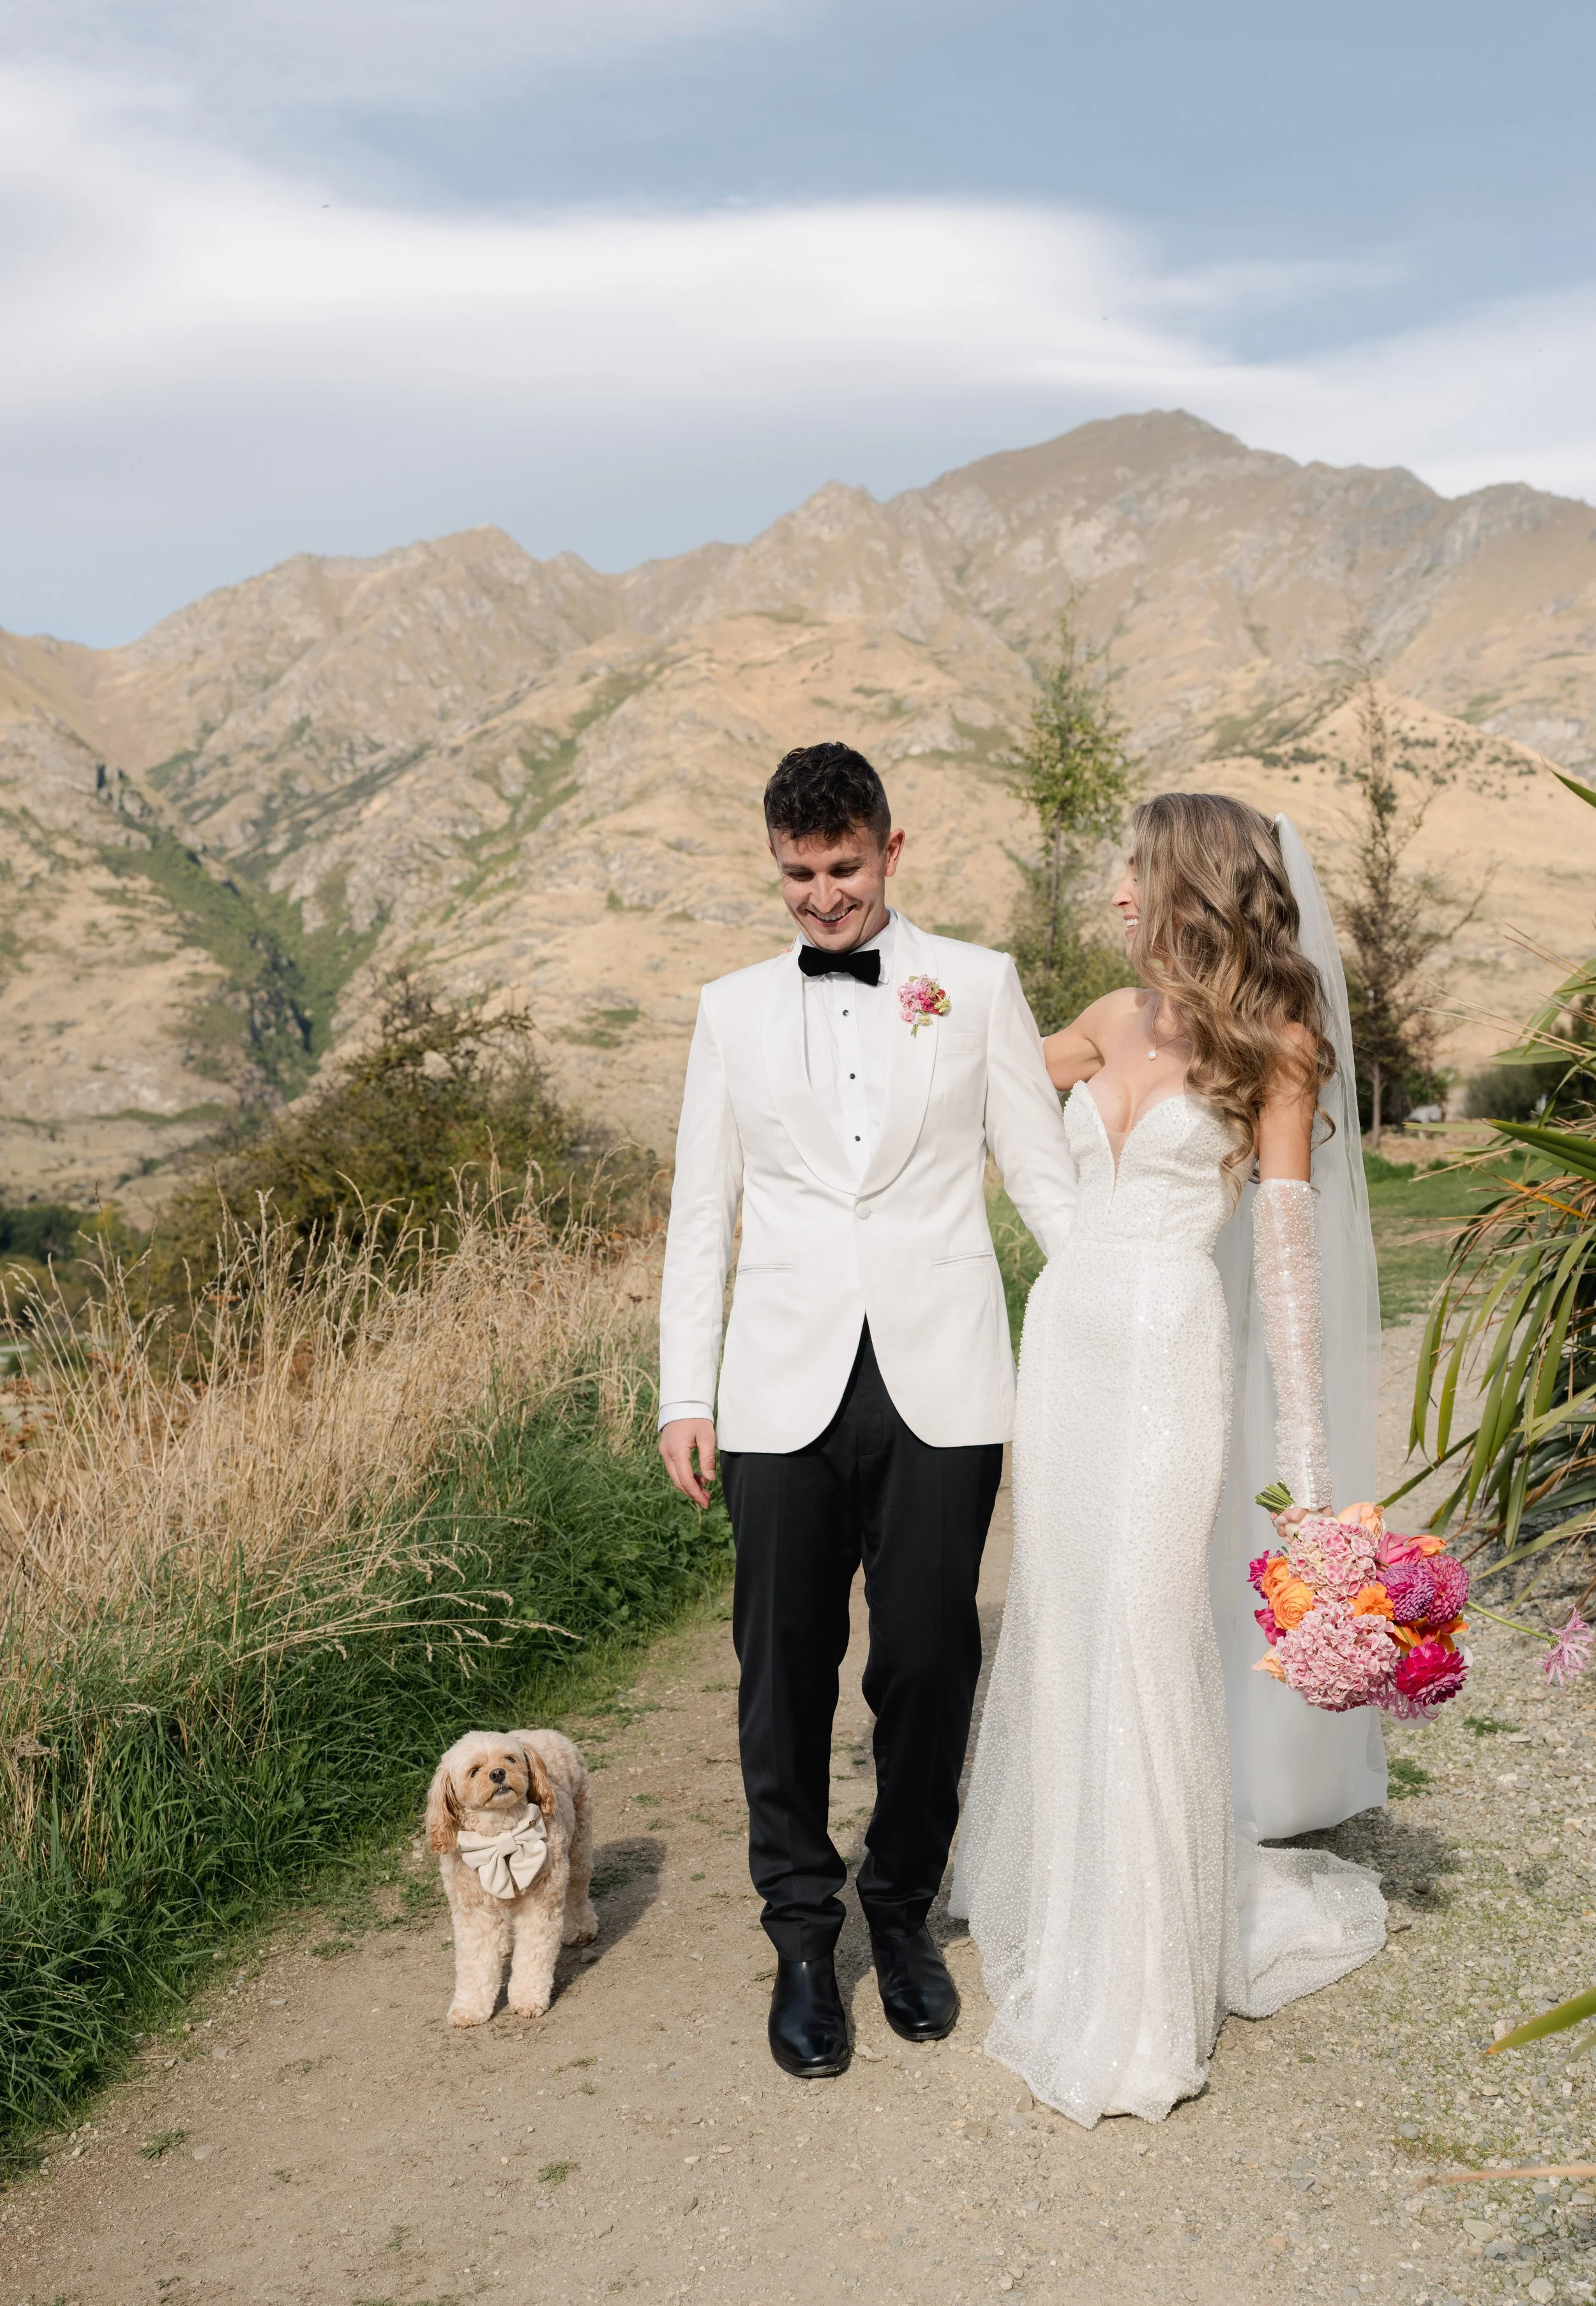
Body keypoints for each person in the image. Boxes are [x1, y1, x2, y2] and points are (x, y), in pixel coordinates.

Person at [951, 792, 1387, 2127]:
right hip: (1067, 1345)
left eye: (1131, 877)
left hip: (1168, 1349)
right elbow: (982, 1090)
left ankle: (1138, 1992)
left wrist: (1309, 1490)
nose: (1114, 900)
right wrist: (922, 1015)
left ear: (1186, 886)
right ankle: (1075, 1912)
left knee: (1144, 1626)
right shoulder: (1099, 1017)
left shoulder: (1276, 1044)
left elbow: (1289, 1267)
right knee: (1067, 1619)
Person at [658, 741, 1078, 2080]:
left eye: (841, 870)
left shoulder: (980, 985)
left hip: (943, 1377)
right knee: (779, 1675)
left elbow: (1041, 1175)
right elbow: (697, 1219)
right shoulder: (725, 1011)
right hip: (778, 1389)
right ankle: (799, 1934)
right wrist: (684, 1390)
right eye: (796, 876)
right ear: (771, 865)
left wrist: (1114, 1313)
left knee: (924, 1661)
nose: (820, 899)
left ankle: (898, 1908)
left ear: (890, 852)